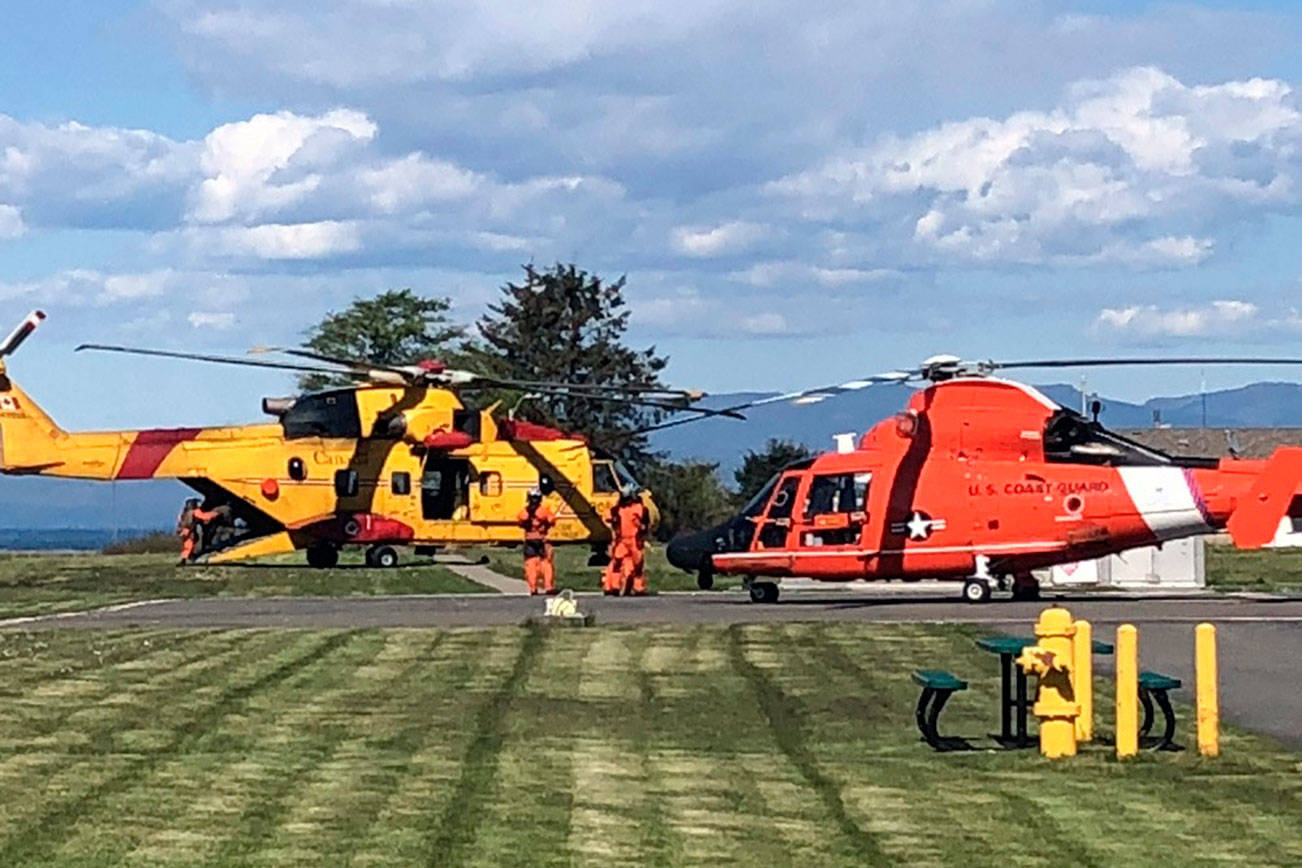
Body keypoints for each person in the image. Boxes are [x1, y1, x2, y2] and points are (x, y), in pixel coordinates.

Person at [603, 483, 650, 596]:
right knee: (618, 563)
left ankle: (635, 587)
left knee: (635, 565)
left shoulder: (639, 509)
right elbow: (609, 518)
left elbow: (645, 524)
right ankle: (617, 586)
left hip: (633, 540)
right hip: (624, 540)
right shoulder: (619, 509)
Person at [517, 488, 557, 595]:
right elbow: (552, 521)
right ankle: (548, 587)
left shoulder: (524, 512)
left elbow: (520, 522)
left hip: (529, 540)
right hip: (542, 540)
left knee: (531, 565)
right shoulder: (544, 511)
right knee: (546, 564)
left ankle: (533, 588)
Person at [176, 498, 220, 564]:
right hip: (189, 531)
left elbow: (180, 521)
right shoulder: (195, 511)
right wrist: (214, 514)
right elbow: (204, 516)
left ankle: (187, 558)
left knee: (188, 545)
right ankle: (188, 558)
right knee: (190, 544)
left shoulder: (184, 512)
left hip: (183, 531)